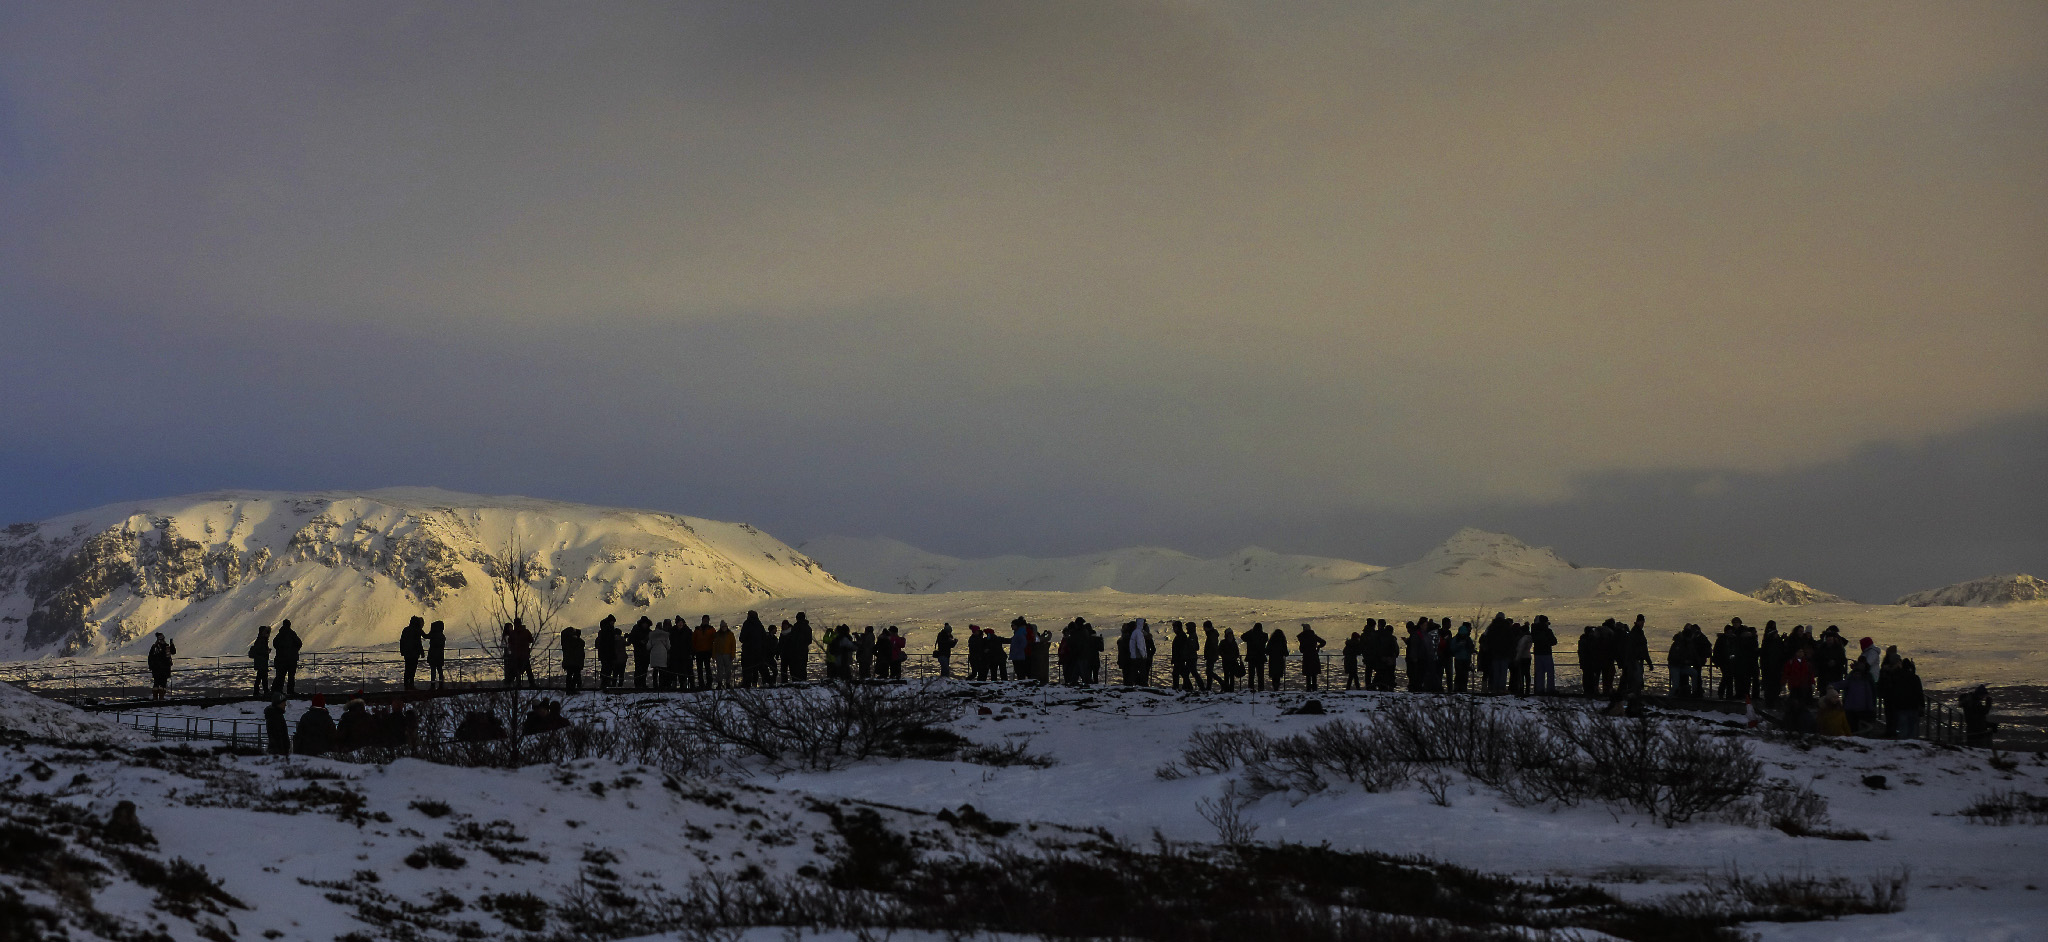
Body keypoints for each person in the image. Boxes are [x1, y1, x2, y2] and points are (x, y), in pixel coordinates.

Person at [1889, 659, 1925, 739]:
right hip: (1913, 706)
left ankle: (1904, 745)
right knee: (1913, 730)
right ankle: (1912, 745)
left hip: (1901, 706)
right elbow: (1919, 692)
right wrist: (1922, 705)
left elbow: (1893, 689)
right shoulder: (1915, 677)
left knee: (1902, 729)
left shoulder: (1897, 677)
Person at [1530, 615, 1557, 695]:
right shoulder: (1547, 631)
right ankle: (1550, 689)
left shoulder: (1534, 630)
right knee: (1550, 672)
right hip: (1546, 653)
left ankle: (1539, 689)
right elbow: (1554, 641)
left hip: (1537, 653)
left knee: (1539, 672)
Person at [399, 616, 426, 691]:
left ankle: (406, 685)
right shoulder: (418, 630)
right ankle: (411, 684)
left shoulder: (406, 629)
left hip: (407, 653)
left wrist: (402, 651)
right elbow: (419, 642)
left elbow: (402, 641)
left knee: (407, 668)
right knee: (413, 669)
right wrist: (422, 652)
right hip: (415, 653)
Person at [147, 633, 176, 700]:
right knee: (163, 683)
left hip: (156, 669)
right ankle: (161, 697)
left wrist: (151, 666)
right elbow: (173, 652)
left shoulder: (154, 647)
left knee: (156, 682)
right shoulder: (166, 646)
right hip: (164, 668)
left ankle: (155, 697)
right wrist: (172, 644)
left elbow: (150, 657)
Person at [1296, 624, 1325, 692]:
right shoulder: (1313, 636)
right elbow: (1323, 642)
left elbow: (1301, 649)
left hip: (1306, 656)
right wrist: (1318, 647)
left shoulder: (1302, 637)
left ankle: (1308, 688)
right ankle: (1314, 688)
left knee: (1308, 674)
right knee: (1314, 673)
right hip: (1314, 655)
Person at [647, 619, 673, 689]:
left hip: (654, 655)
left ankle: (655, 685)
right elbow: (668, 646)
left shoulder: (652, 635)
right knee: (662, 671)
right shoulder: (665, 635)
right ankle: (662, 685)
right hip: (663, 654)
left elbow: (648, 646)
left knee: (655, 671)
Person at [560, 626, 586, 694]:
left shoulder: (567, 642)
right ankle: (573, 689)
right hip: (576, 662)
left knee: (569, 675)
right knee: (576, 675)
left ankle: (569, 689)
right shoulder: (580, 642)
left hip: (569, 661)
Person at [629, 616, 653, 689]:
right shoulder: (636, 630)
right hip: (639, 652)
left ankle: (642, 684)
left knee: (644, 669)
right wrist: (639, 642)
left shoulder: (649, 632)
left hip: (646, 653)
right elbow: (631, 639)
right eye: (644, 623)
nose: (645, 625)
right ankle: (638, 684)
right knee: (639, 669)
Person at [248, 625, 271, 698]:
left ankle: (259, 691)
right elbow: (260, 651)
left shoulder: (260, 639)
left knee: (261, 676)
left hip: (260, 661)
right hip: (261, 661)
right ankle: (263, 691)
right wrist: (266, 652)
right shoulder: (262, 640)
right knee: (262, 677)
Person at [1244, 624, 1267, 692]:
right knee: (1260, 675)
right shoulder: (1264, 635)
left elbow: (1243, 637)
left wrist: (1250, 631)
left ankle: (1251, 688)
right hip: (1260, 658)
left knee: (1251, 675)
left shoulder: (1250, 635)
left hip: (1251, 658)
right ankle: (1261, 688)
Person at [714, 620, 737, 688]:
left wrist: (732, 654)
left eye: (725, 626)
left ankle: (728, 683)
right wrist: (714, 654)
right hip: (719, 654)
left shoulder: (730, 634)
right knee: (719, 670)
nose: (724, 628)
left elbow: (733, 645)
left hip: (728, 654)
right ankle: (719, 683)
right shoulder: (717, 634)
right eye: (723, 626)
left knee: (728, 670)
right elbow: (714, 645)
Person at [1265, 625, 1288, 691]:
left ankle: (1274, 686)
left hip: (1272, 660)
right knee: (1278, 675)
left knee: (1273, 675)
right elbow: (1286, 653)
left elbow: (1267, 651)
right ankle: (1277, 687)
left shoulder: (1271, 641)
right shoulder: (1282, 642)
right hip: (1280, 660)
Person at [426, 620, 447, 690]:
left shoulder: (433, 635)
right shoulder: (442, 636)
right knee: (439, 669)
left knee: (433, 669)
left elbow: (426, 636)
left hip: (433, 654)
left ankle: (432, 684)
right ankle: (441, 683)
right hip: (440, 655)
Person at [1219, 628, 1241, 693]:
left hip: (1232, 662)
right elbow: (1219, 651)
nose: (1230, 635)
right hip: (1226, 661)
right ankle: (1227, 689)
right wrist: (1225, 656)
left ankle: (1231, 690)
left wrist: (1234, 657)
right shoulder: (1224, 642)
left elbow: (1237, 652)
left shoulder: (1234, 643)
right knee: (1226, 676)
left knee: (1231, 677)